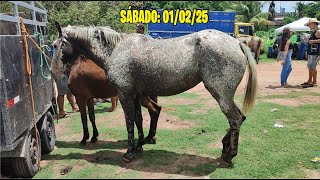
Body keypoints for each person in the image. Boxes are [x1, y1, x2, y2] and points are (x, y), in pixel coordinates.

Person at [51, 46, 79, 118]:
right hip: (59, 72)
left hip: (65, 71)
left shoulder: (65, 45)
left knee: (69, 91)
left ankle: (74, 107)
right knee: (61, 93)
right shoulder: (59, 46)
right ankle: (61, 112)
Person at [301, 18, 320, 88]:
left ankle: (314, 81)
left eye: (310, 24)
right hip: (311, 52)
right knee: (310, 66)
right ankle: (310, 80)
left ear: (314, 24)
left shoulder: (318, 32)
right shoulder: (313, 32)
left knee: (313, 66)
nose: (309, 26)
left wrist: (313, 41)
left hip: (315, 52)